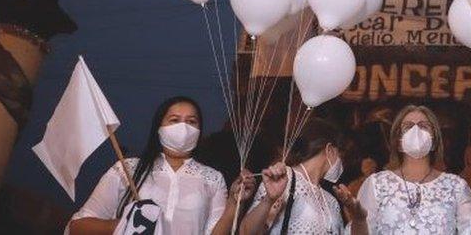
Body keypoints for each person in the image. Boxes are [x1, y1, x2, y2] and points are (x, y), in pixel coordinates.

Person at [69, 96, 253, 235]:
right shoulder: (127, 169)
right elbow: (77, 226)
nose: (183, 127)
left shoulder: (212, 178)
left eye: (191, 121)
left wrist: (233, 203)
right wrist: (124, 225)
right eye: (174, 120)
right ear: (159, 127)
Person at [352, 104, 471, 233]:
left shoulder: (455, 186)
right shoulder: (376, 184)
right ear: (398, 142)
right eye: (408, 126)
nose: (416, 131)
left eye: (423, 126)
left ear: (435, 141)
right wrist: (359, 221)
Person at [240, 118, 352, 234]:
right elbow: (245, 232)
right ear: (330, 150)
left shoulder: (331, 200)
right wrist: (268, 200)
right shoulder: (283, 179)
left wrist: (358, 217)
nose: (341, 164)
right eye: (341, 156)